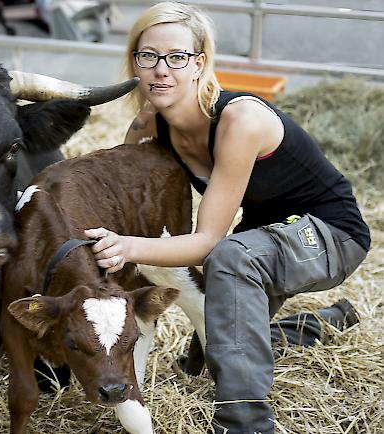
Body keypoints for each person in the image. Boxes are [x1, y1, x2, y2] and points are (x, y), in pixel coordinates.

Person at [84, 2, 370, 433]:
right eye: (148, 57)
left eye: (176, 58)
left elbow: (208, 242)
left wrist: (128, 246)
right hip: (265, 240)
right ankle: (321, 324)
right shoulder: (147, 130)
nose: (161, 70)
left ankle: (244, 423)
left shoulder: (241, 118)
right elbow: (138, 210)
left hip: (329, 236)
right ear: (135, 64)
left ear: (199, 64)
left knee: (230, 260)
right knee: (223, 342)